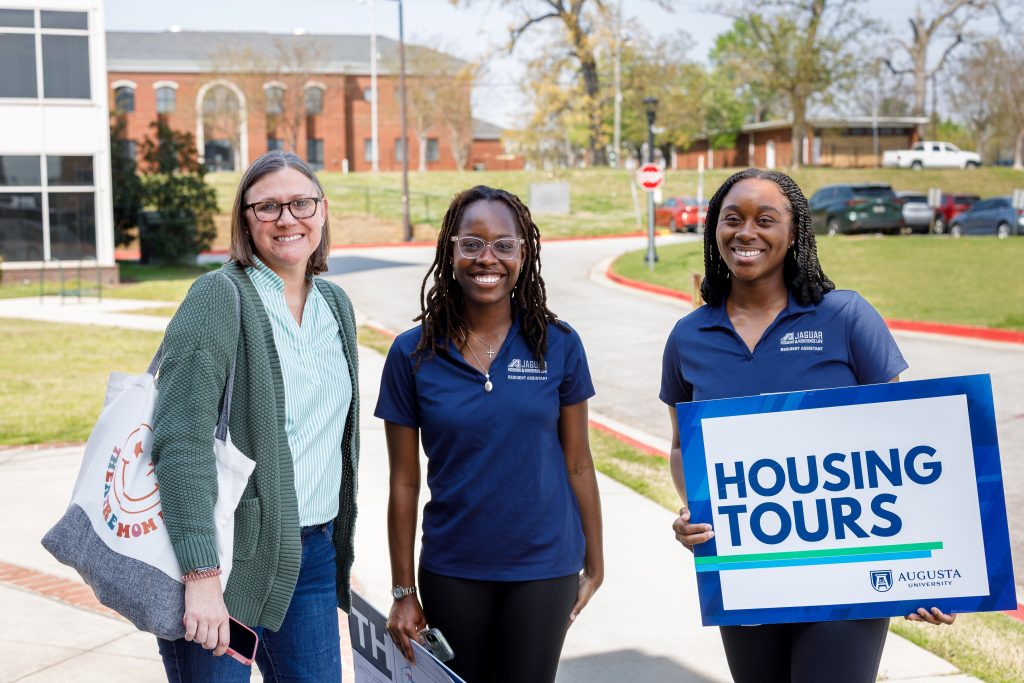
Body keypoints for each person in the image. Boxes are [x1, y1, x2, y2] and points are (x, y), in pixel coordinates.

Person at [660, 168, 955, 683]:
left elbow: (905, 443)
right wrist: (694, 513)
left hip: (846, 572)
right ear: (715, 232)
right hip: (747, 569)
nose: (745, 232)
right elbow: (684, 448)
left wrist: (927, 573)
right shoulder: (689, 337)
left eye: (765, 219)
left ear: (793, 233)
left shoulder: (845, 317)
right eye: (732, 219)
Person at [375, 185, 604, 683]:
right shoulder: (411, 354)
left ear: (524, 254)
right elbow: (403, 483)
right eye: (472, 243)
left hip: (544, 567)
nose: (488, 258)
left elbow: (579, 463)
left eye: (504, 244)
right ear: (449, 252)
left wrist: (597, 562)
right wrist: (402, 589)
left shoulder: (558, 344)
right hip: (453, 569)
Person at [152, 150, 359, 682]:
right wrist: (200, 574)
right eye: (267, 207)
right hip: (225, 562)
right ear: (245, 220)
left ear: (323, 210)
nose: (287, 218)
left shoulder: (335, 305)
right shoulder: (218, 298)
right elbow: (180, 439)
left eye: (300, 203)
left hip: (310, 557)